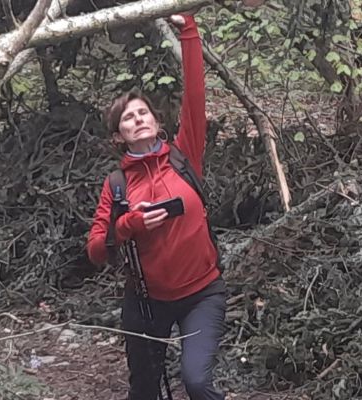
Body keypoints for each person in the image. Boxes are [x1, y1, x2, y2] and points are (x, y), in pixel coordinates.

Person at [83, 12, 226, 400]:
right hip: (146, 301)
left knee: (196, 382)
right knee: (144, 390)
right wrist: (128, 226)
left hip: (202, 293)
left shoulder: (184, 157)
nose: (138, 119)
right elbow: (96, 251)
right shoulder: (116, 185)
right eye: (128, 118)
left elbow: (195, 96)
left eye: (143, 112)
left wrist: (190, 32)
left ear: (156, 121)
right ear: (119, 136)